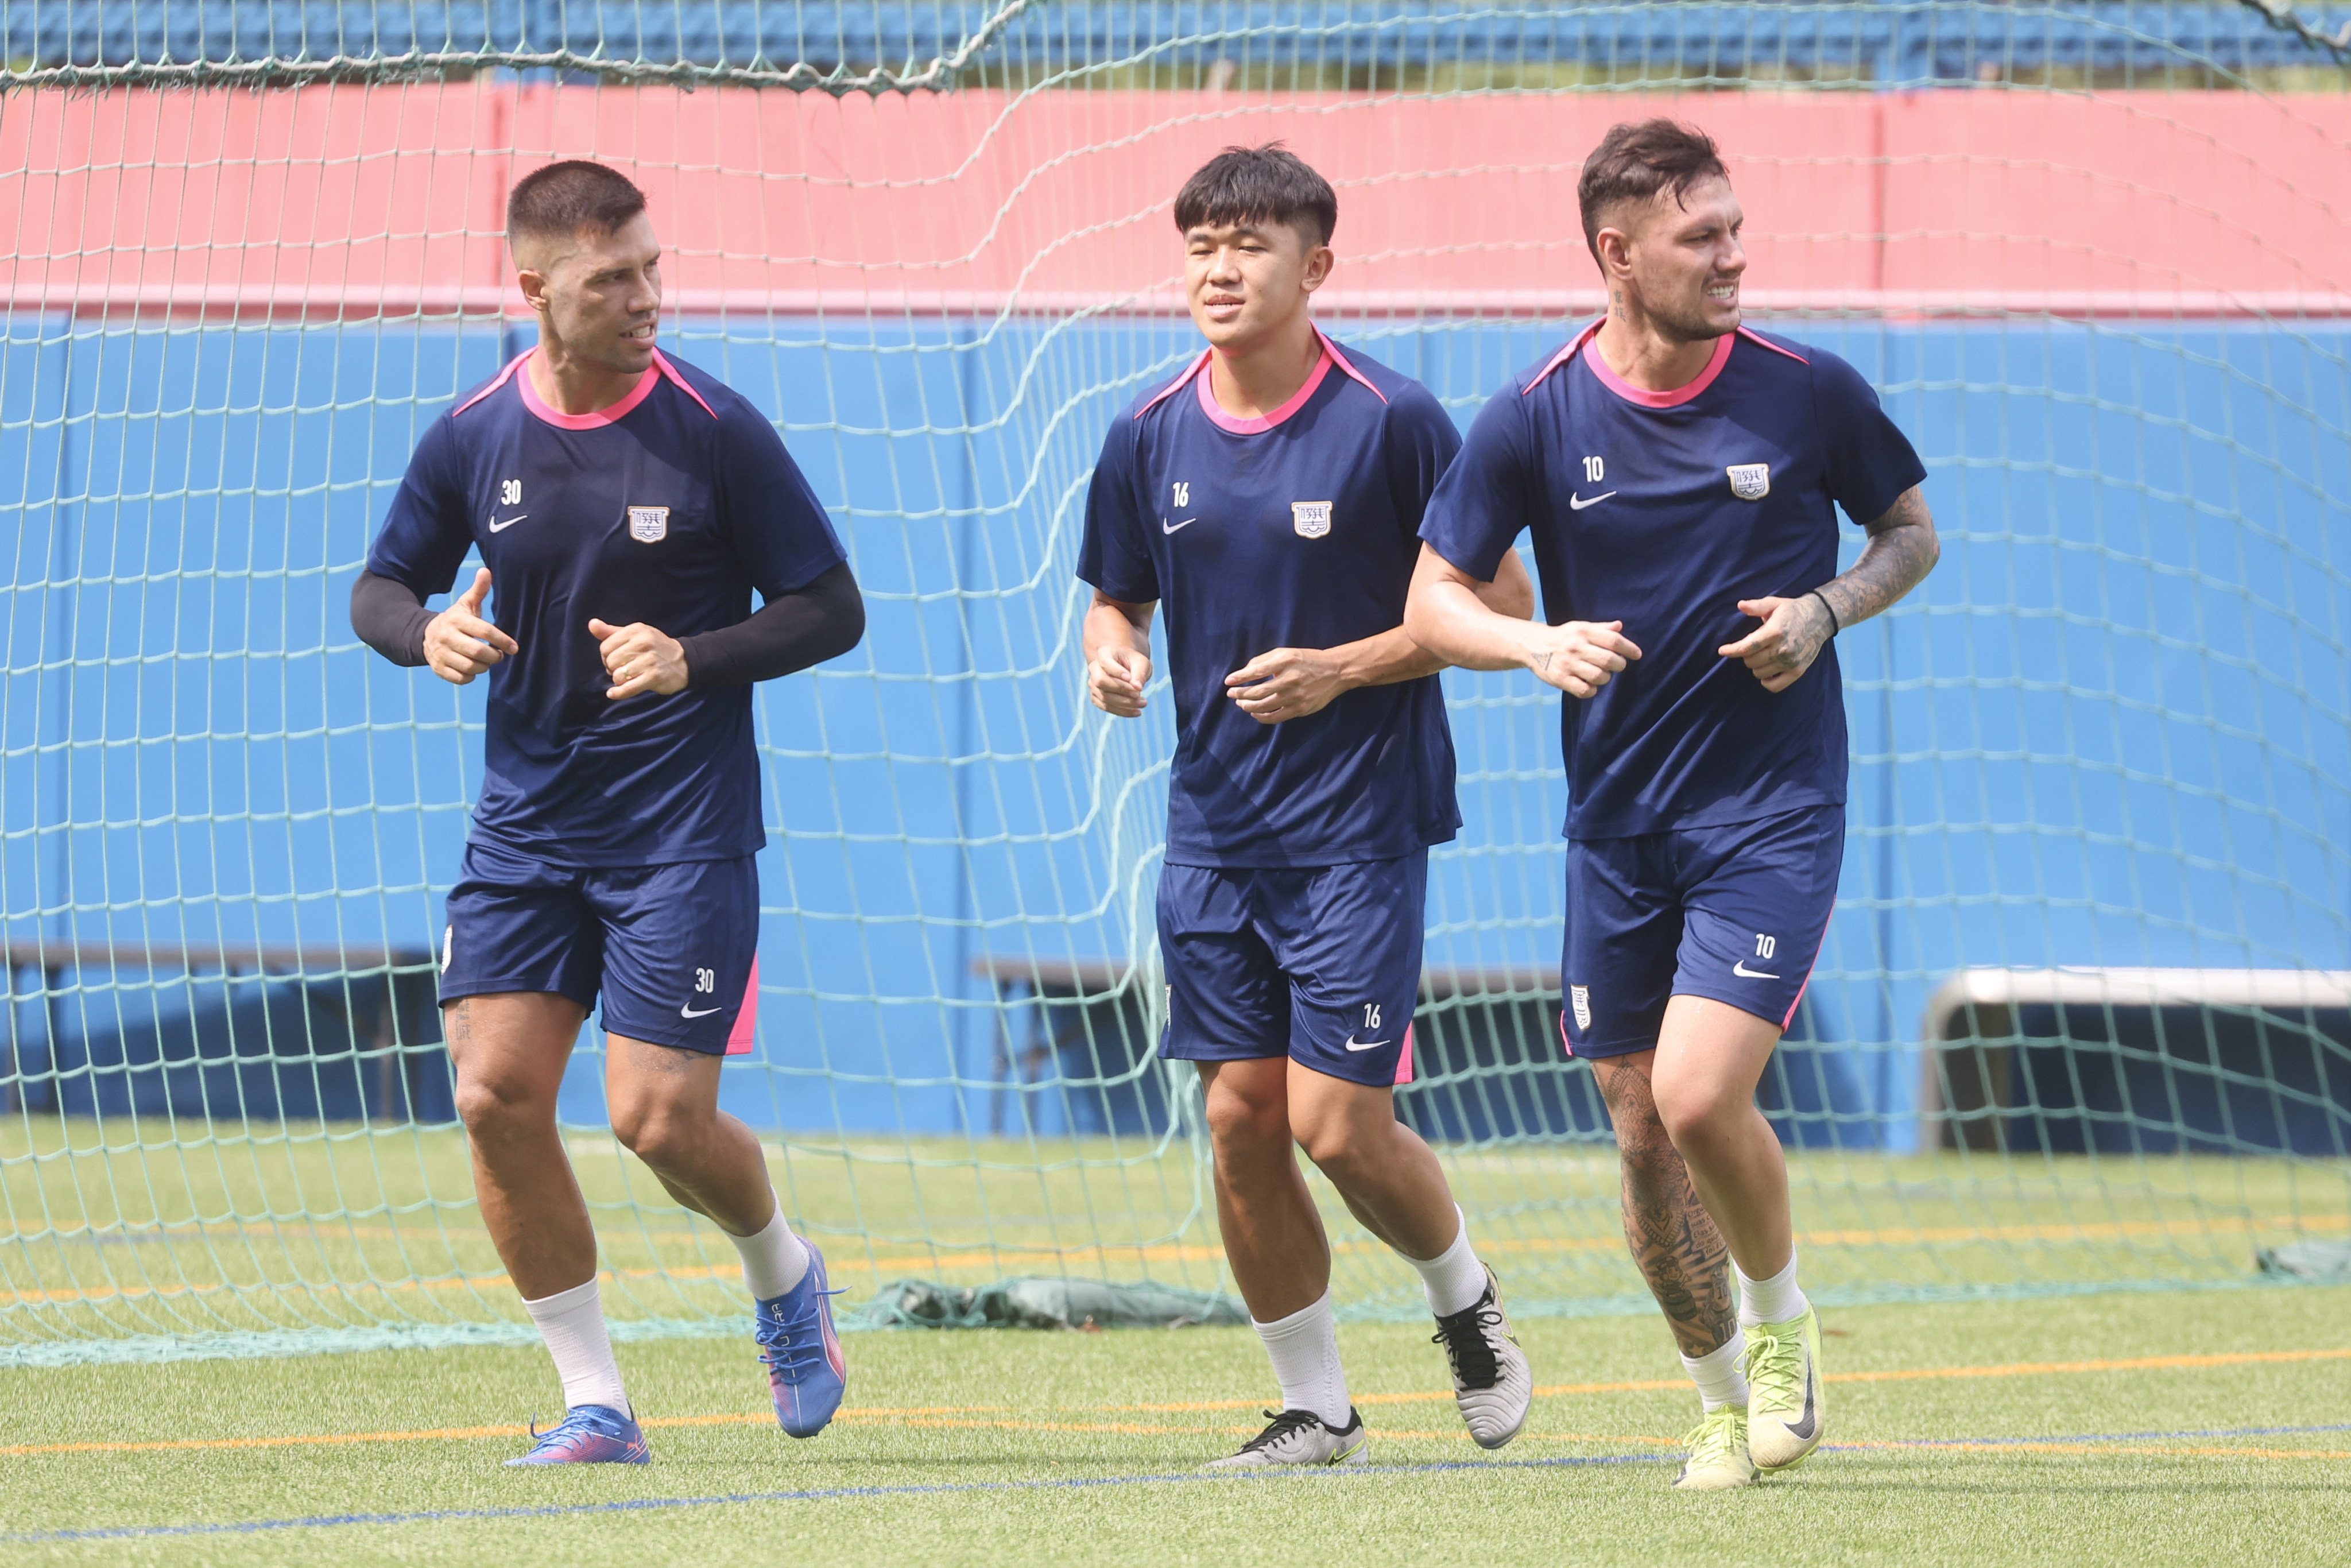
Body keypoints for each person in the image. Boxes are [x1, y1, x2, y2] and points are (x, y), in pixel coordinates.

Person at [1404, 119, 1938, 1490]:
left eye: (1734, 228)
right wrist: (1532, 645)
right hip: (1616, 831)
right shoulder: (1531, 414)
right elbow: (1430, 601)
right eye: (1700, 236)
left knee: (1701, 1099)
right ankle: (1711, 1401)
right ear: (1615, 252)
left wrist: (1825, 608)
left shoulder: (1807, 390)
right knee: (1639, 1138)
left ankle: (1780, 1326)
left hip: (1770, 808)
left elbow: (1910, 534)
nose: (1733, 255)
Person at [351, 160, 867, 1466]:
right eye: (609, 278)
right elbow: (381, 586)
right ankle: (597, 1404)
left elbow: (830, 607)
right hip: (524, 831)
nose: (645, 296)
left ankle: (782, 1272)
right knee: (491, 1095)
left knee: (655, 1119)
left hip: (681, 833)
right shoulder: (473, 432)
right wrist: (428, 635)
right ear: (533, 288)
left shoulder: (715, 427)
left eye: (650, 266)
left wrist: (694, 654)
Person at [1079, 144, 1539, 1470]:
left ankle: (1464, 1303)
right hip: (1212, 833)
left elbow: (1497, 608)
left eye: (1250, 245)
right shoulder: (1146, 430)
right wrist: (1107, 650)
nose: (1219, 270)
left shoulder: (1392, 420)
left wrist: (1344, 666)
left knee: (1333, 1121)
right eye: (1200, 246)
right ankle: (1314, 1408)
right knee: (1234, 1118)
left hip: (1356, 826)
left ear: (1315, 265)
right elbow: (1116, 593)